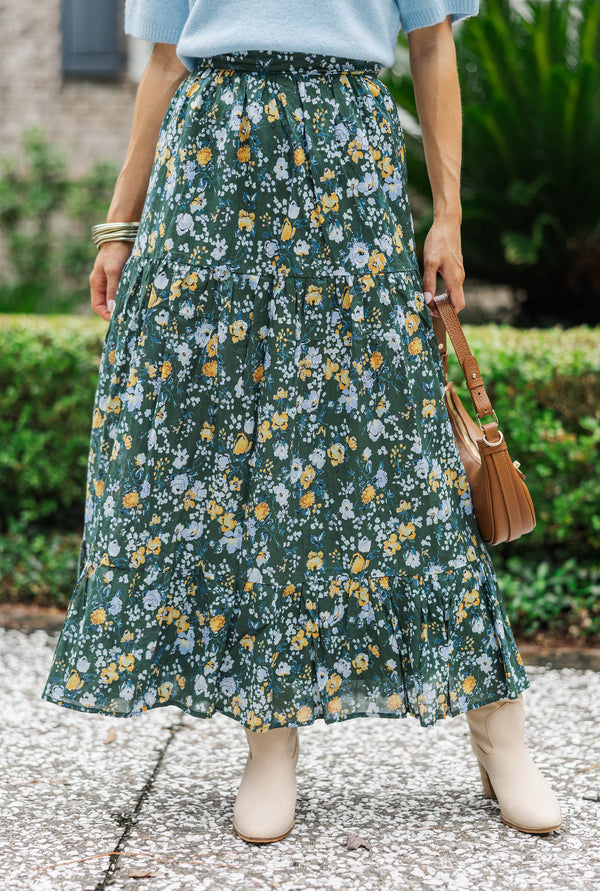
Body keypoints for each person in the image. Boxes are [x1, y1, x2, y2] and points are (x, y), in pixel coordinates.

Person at [41, 0, 562, 843]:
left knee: (407, 456)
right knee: (238, 455)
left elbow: (433, 47)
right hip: (209, 173)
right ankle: (271, 736)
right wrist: (119, 225)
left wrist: (448, 217)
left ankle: (500, 732)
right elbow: (166, 61)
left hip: (346, 162)